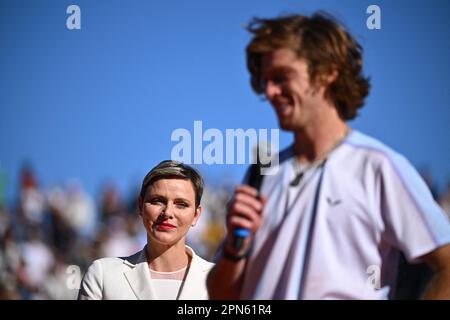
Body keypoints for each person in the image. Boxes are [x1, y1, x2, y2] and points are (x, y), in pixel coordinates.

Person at [207, 12, 450, 299]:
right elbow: (222, 297)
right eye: (266, 81)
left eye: (282, 77)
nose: (270, 92)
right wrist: (236, 251)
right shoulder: (262, 172)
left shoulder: (378, 166)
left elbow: (445, 264)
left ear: (327, 72)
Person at [78, 160, 214, 299]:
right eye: (157, 201)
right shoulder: (103, 275)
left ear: (196, 215)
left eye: (181, 204)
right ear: (140, 206)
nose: (167, 212)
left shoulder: (221, 280)